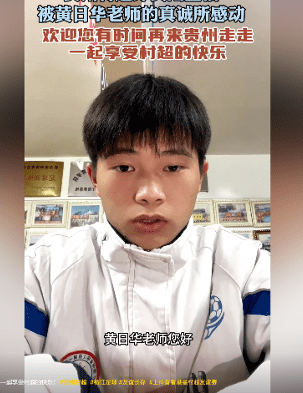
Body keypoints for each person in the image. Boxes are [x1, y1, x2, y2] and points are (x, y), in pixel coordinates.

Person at [25, 74, 270, 392]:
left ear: (200, 176)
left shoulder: (248, 265)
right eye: (124, 168)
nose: (150, 194)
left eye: (173, 167)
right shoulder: (41, 268)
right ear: (94, 178)